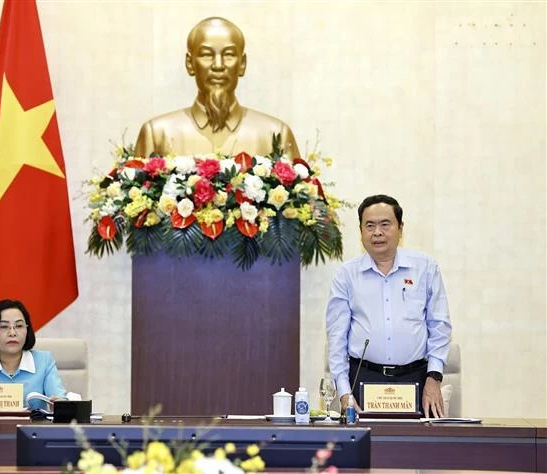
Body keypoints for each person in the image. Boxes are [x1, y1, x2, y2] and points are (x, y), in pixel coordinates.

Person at [326, 195, 452, 417]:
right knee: (364, 449)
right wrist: (345, 393)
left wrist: (434, 378)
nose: (377, 232)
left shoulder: (425, 268)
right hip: (363, 379)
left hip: (417, 379)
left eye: (385, 224)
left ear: (400, 228)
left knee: (418, 449)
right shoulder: (346, 275)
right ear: (361, 230)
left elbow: (439, 326)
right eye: (370, 225)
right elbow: (336, 339)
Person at [134, 17, 300, 158]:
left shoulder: (275, 135)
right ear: (190, 64)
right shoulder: (157, 134)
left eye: (229, 55)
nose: (218, 65)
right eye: (206, 54)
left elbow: (303, 194)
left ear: (242, 64)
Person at [0, 299, 67, 410]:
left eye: (19, 326)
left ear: (27, 329)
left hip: (31, 427)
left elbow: (60, 399)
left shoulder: (44, 361)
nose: (12, 333)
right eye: (4, 327)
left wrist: (59, 405)